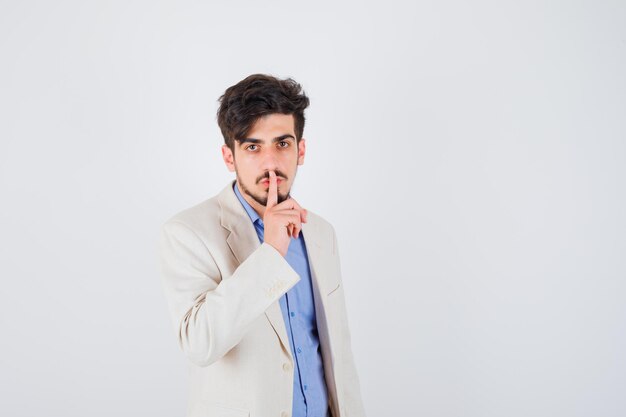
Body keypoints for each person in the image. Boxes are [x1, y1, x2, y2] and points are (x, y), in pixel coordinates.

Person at [159, 74, 365, 417]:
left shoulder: (321, 233)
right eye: (253, 147)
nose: (270, 162)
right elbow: (199, 344)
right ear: (229, 157)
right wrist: (270, 254)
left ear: (301, 150)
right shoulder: (187, 232)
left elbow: (338, 356)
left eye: (282, 144)